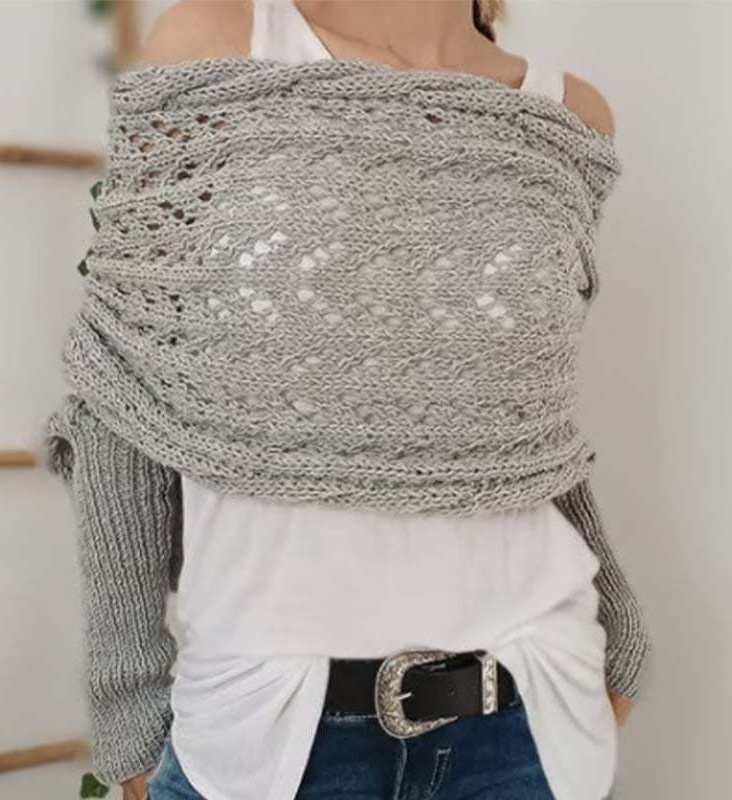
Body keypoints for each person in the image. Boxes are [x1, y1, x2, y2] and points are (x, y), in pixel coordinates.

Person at [44, 2, 651, 799]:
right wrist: (127, 701)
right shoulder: (216, 49)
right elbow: (123, 388)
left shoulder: (565, 117)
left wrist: (617, 618)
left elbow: (516, 430)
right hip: (264, 733)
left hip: (529, 721)